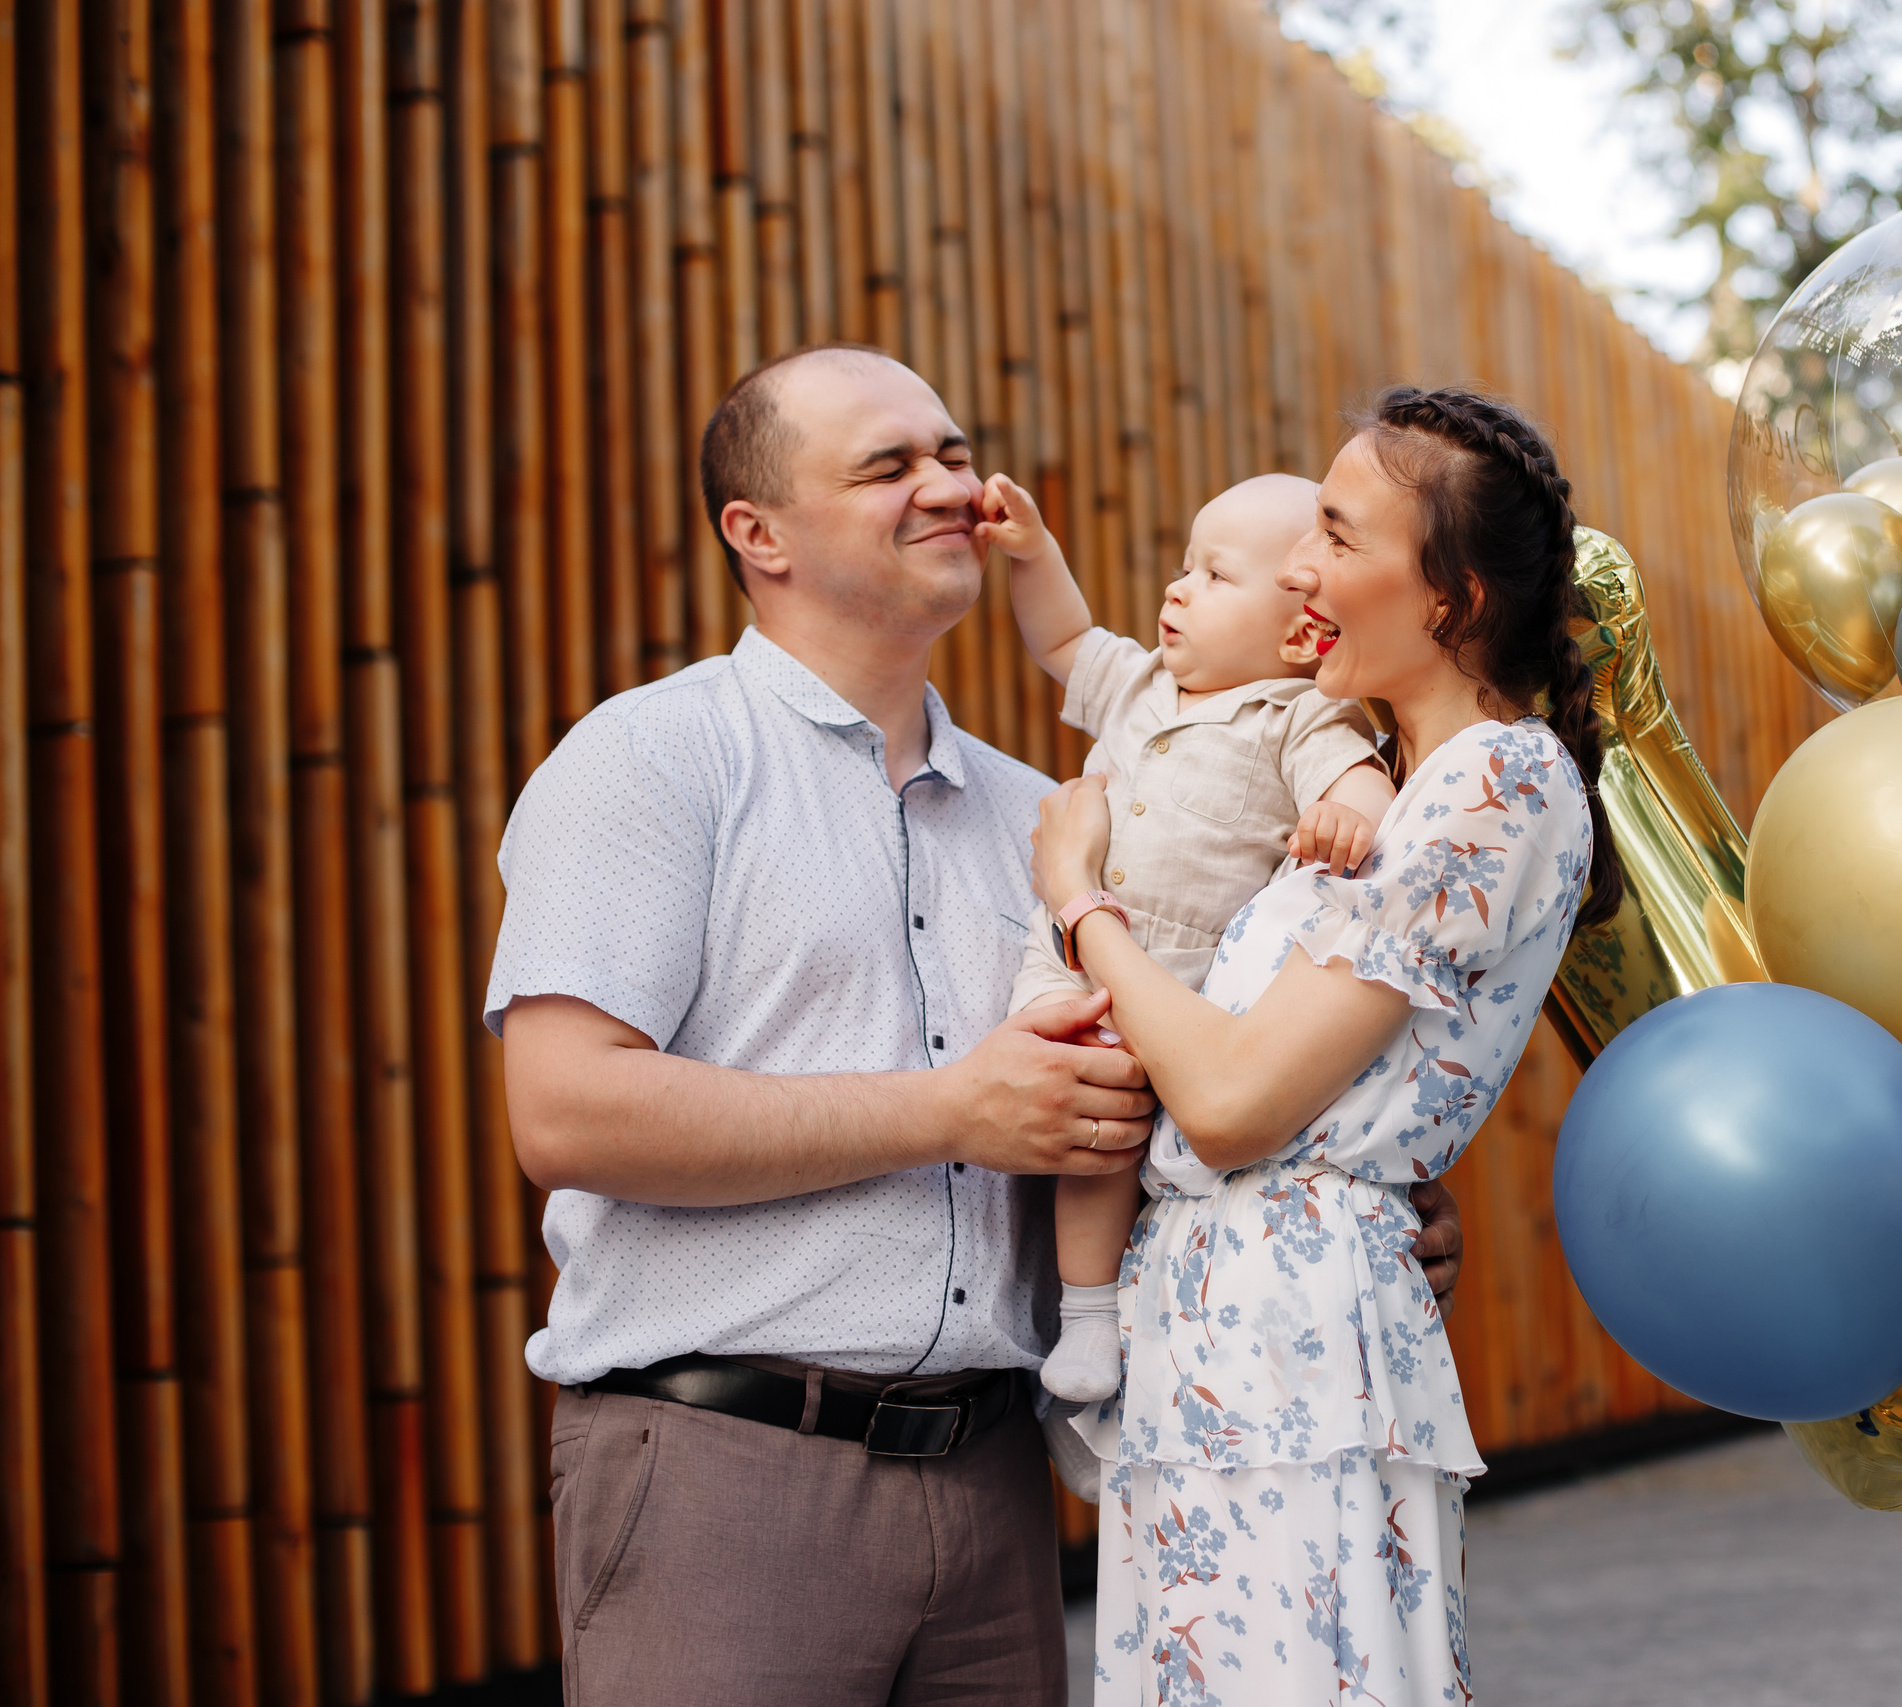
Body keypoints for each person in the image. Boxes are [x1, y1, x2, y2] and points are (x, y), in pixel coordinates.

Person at [485, 342, 1468, 1706]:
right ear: (758, 534)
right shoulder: (648, 758)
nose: (949, 485)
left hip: (1000, 1484)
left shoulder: (1057, 815)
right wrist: (953, 1111)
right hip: (726, 1475)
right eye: (888, 465)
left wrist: (1330, 1198)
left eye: (952, 453)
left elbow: (1180, 1080)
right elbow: (565, 1114)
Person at [1035, 386, 1624, 1705]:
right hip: (1223, 1336)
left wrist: (1080, 900)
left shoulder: (1494, 781)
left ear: (1450, 600)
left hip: (1284, 1355)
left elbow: (1232, 1099)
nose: (1299, 568)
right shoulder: (1389, 789)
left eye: (1338, 535)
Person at [976, 467, 1397, 1405]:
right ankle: (1081, 1317)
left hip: (1180, 984)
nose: (1178, 588)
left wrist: (1349, 816)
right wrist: (1033, 553)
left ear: (1300, 633)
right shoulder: (1139, 685)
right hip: (1068, 955)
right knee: (1082, 1119)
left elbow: (1359, 783)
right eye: (1183, 566)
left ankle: (1099, 1329)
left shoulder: (1299, 715)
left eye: (1214, 575)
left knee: (1127, 1133)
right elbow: (1063, 637)